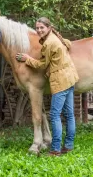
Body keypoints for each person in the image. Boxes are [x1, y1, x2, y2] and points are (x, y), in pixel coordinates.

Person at [15, 17, 79, 156]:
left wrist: (28, 59)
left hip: (61, 80)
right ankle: (68, 145)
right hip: (70, 77)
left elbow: (42, 64)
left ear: (49, 27)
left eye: (41, 28)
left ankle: (55, 149)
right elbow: (67, 45)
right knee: (69, 114)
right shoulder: (55, 37)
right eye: (37, 28)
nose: (38, 30)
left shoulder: (49, 43)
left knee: (55, 115)